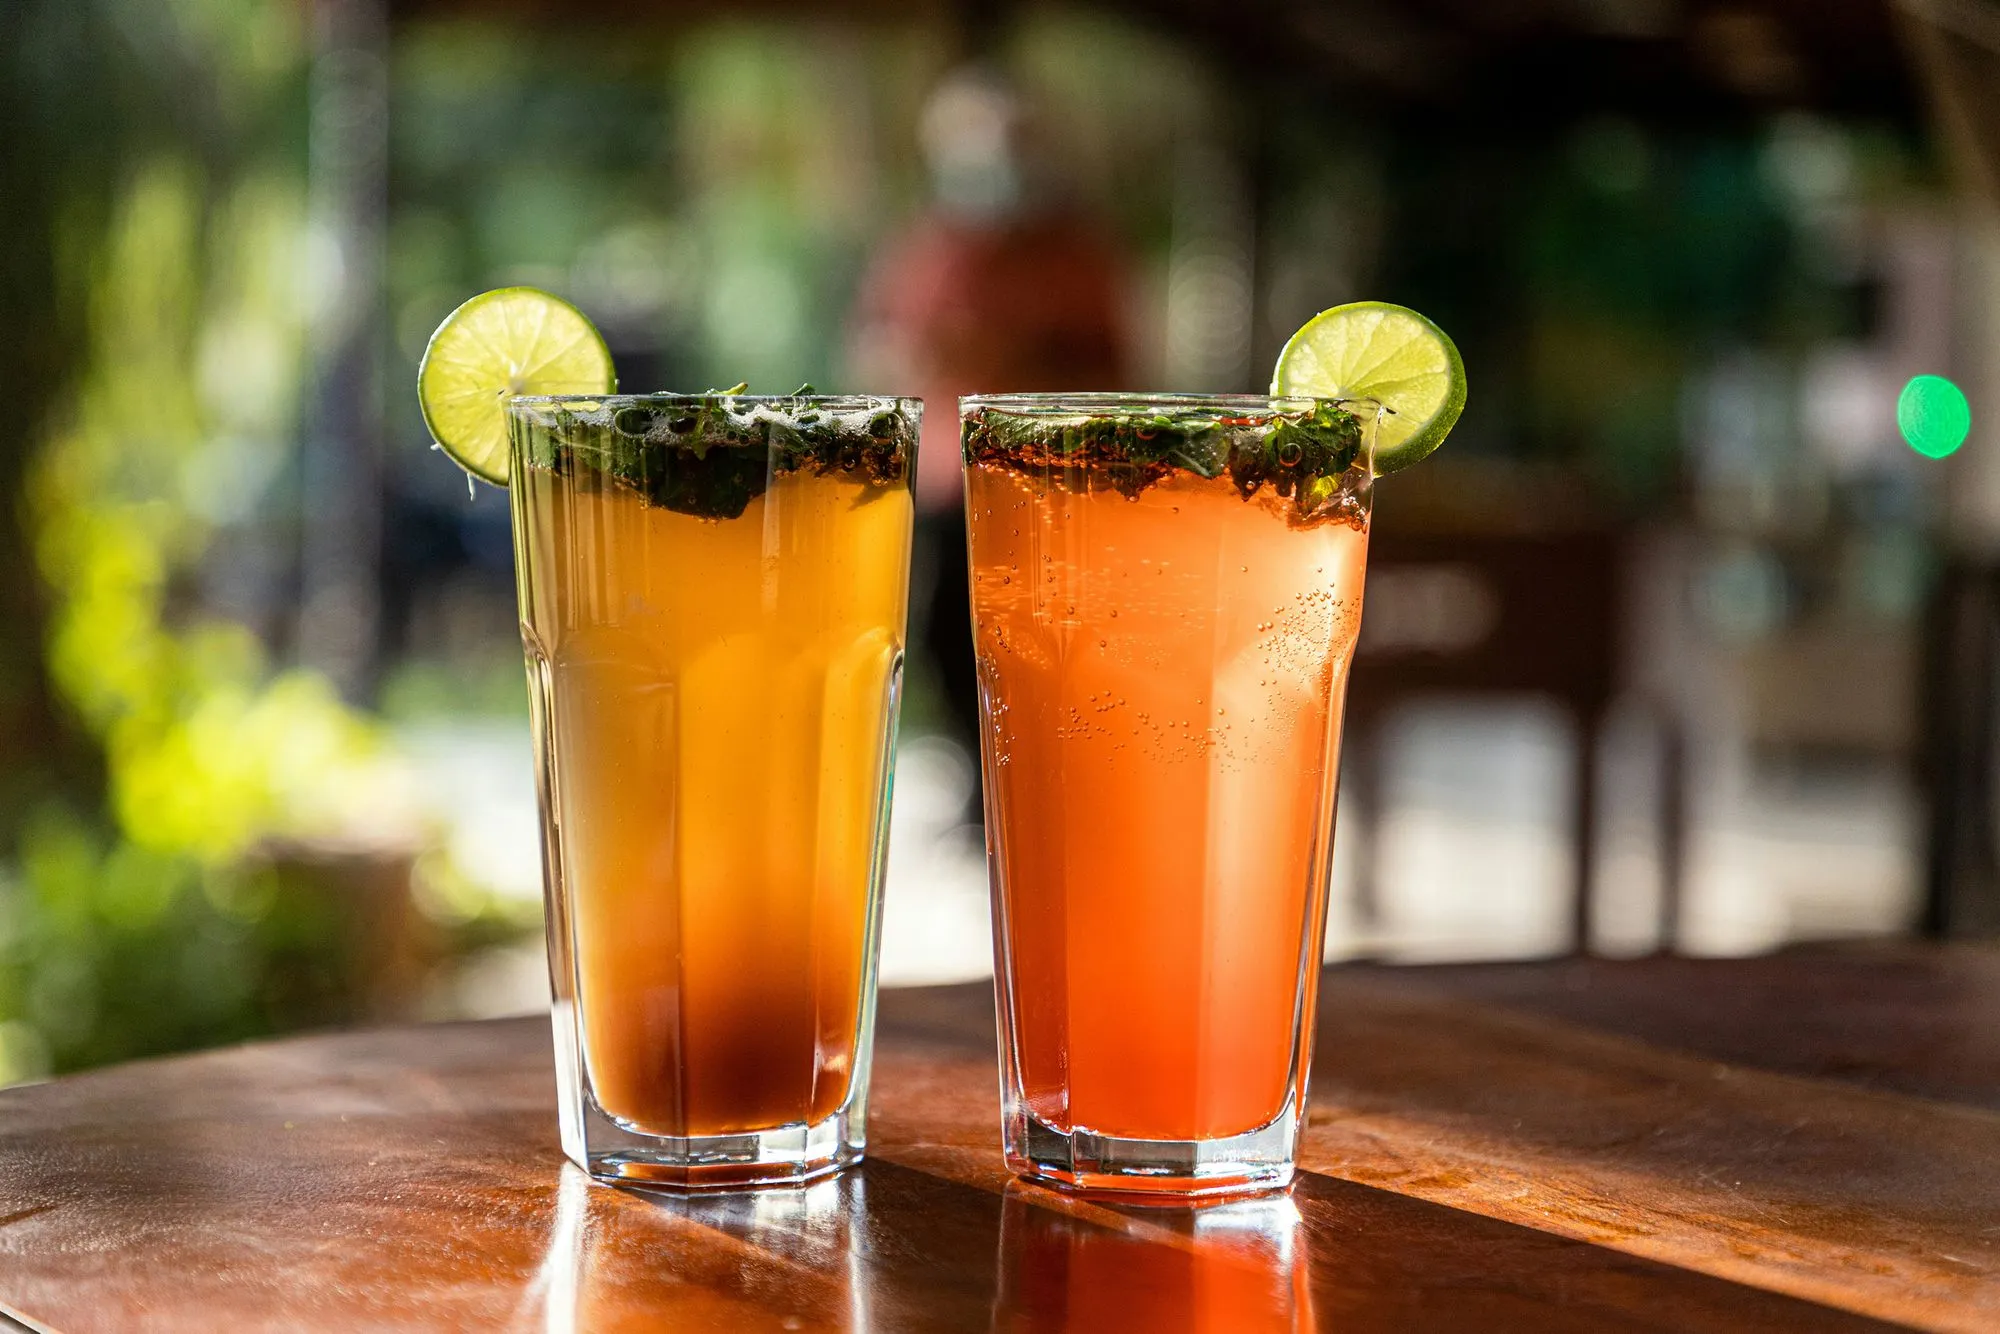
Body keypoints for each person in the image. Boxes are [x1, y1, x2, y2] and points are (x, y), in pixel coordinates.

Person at [848, 66, 1132, 765]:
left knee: (1044, 642)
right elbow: (873, 351)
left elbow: (1116, 370)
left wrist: (1021, 357)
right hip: (951, 484)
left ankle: (1032, 776)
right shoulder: (924, 248)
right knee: (947, 634)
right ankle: (979, 781)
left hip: (1051, 484)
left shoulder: (1076, 254)